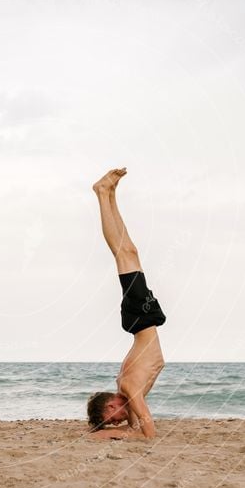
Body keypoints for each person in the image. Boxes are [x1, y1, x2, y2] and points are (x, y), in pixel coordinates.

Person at [87, 168, 166, 440]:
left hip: (141, 319)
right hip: (140, 321)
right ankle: (109, 194)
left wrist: (122, 435)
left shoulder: (129, 387)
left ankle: (102, 194)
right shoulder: (126, 389)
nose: (118, 422)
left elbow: (147, 432)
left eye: (113, 420)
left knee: (123, 253)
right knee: (128, 251)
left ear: (110, 406)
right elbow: (137, 426)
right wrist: (123, 432)